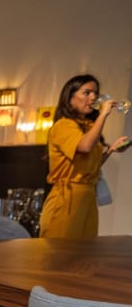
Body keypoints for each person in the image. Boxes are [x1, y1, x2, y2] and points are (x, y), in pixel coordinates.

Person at [40, 74, 131, 239]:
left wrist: (110, 150)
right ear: (69, 98)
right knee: (62, 250)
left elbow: (89, 165)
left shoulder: (88, 126)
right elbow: (85, 146)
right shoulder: (63, 125)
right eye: (86, 93)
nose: (93, 97)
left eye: (95, 93)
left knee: (86, 250)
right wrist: (103, 115)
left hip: (87, 198)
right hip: (67, 199)